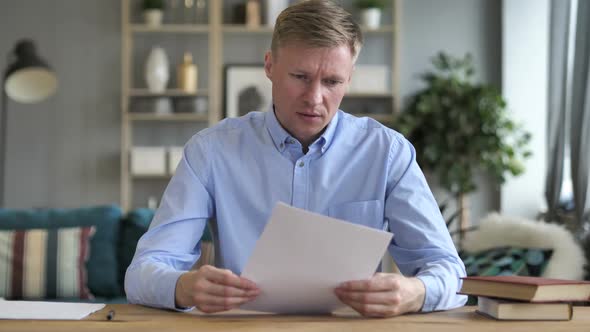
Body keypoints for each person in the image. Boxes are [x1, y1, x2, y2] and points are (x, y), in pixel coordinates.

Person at [125, 0, 467, 318]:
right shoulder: (211, 152)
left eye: (332, 81)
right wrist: (183, 287)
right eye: (300, 77)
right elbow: (143, 271)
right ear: (270, 66)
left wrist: (417, 291)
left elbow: (448, 270)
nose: (314, 98)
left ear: (349, 79)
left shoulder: (388, 153)